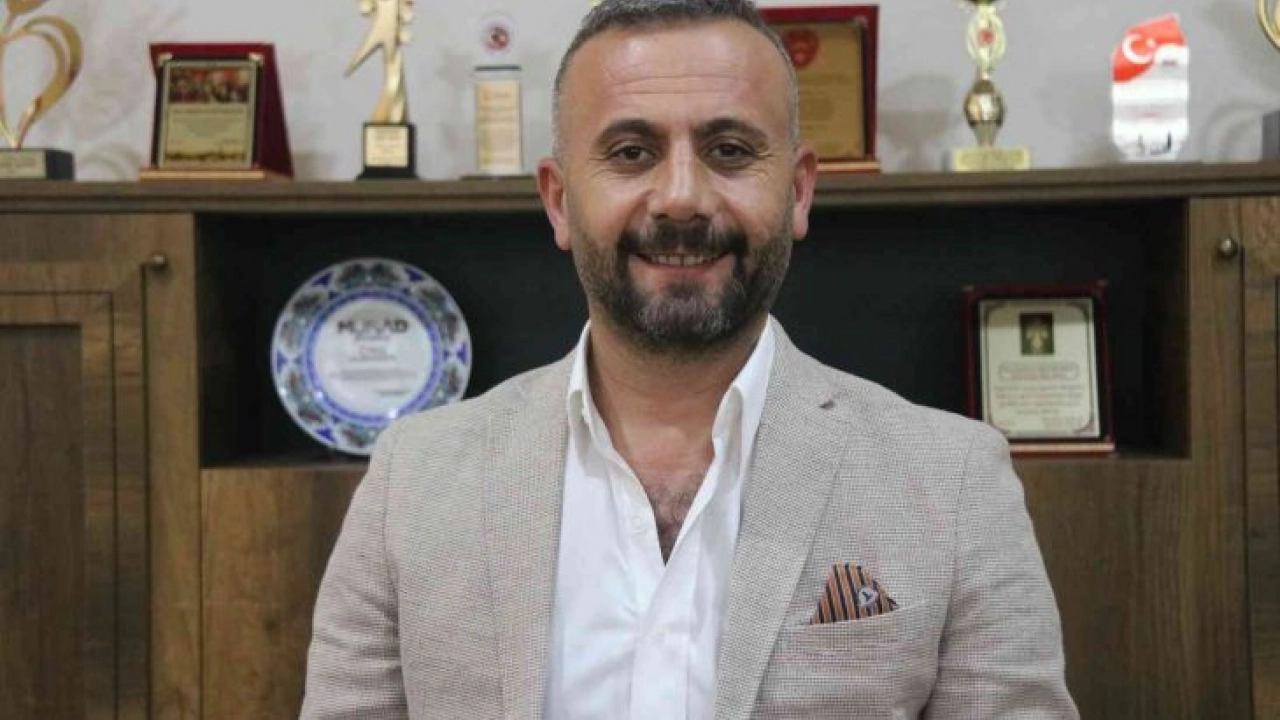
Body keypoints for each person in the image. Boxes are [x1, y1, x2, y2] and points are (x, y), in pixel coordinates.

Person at [301, 1, 1078, 717]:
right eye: (631, 152)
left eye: (729, 150)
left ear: (799, 192)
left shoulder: (952, 483)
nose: (680, 197)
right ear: (559, 200)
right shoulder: (413, 484)